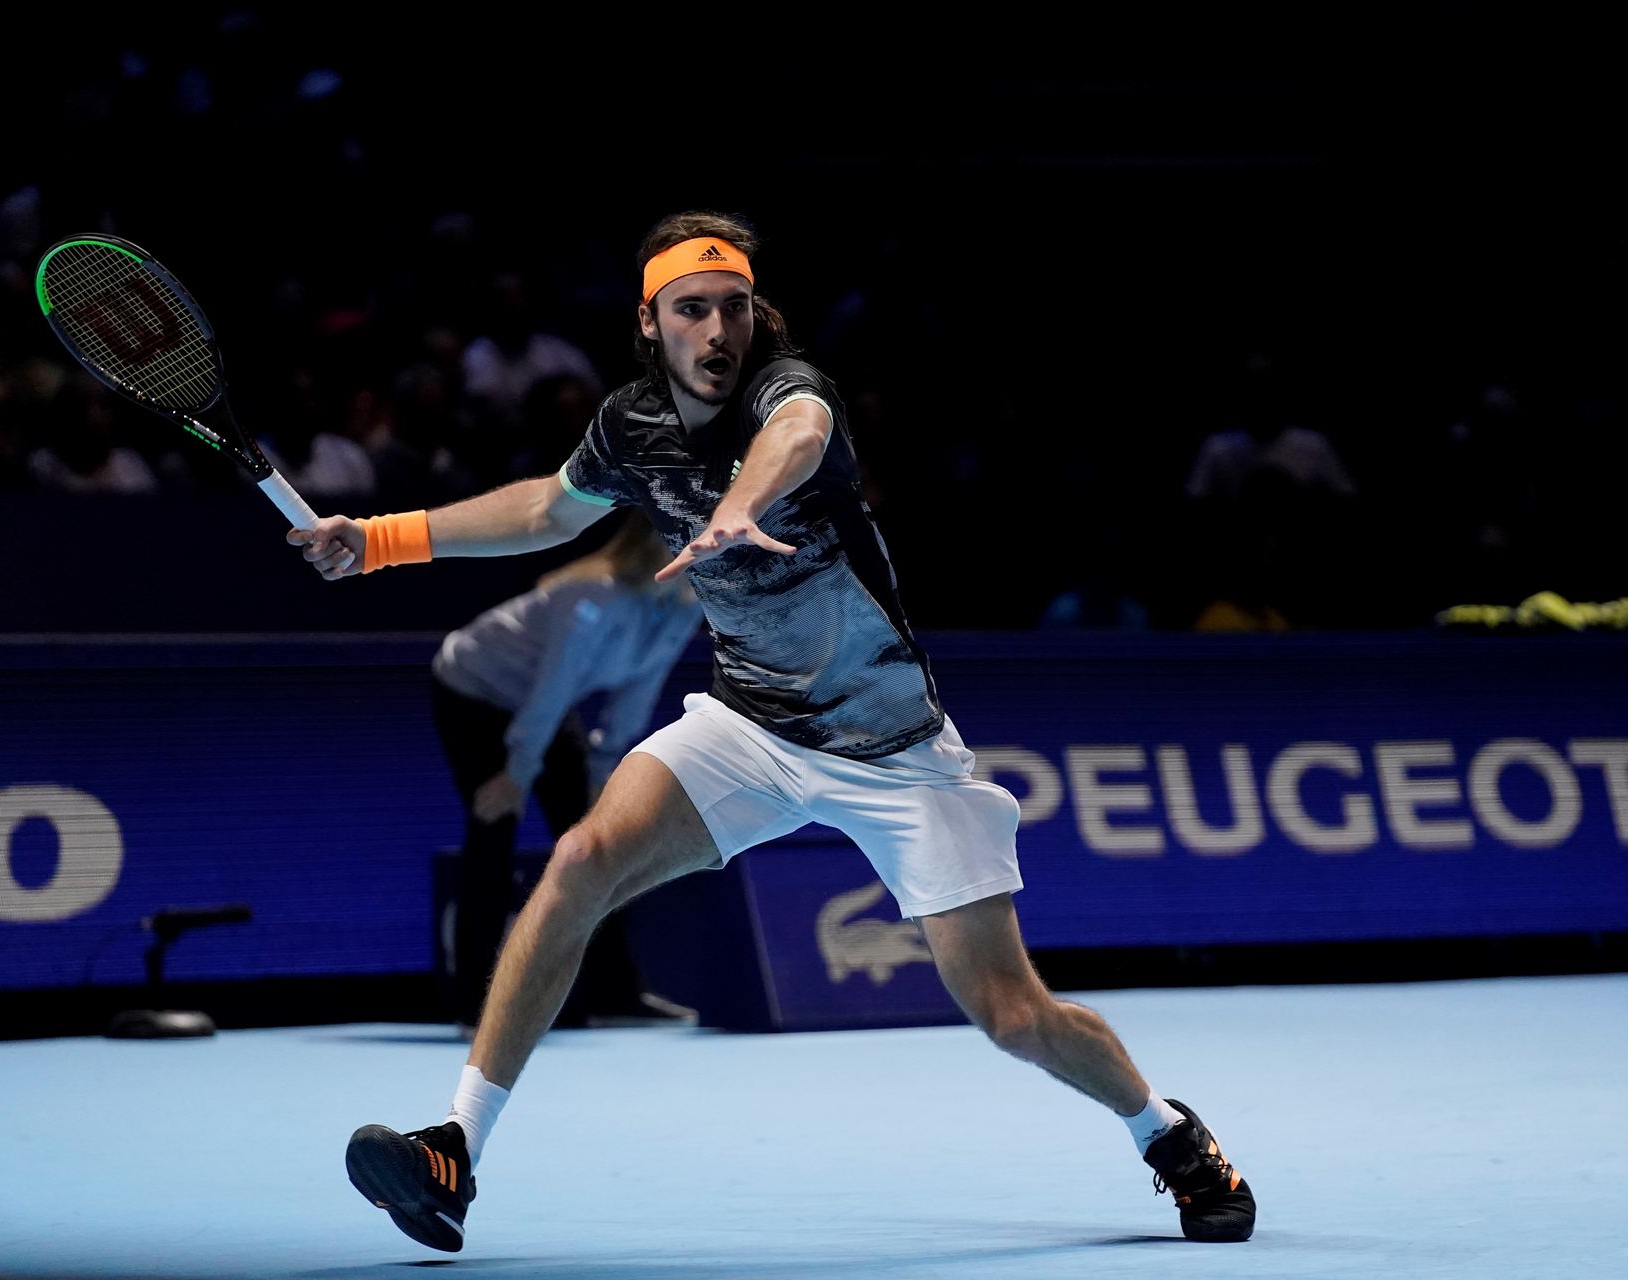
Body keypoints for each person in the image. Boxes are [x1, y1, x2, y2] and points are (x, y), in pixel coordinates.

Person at [290, 211, 1254, 1250]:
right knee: (579, 859)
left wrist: (738, 504)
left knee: (1013, 1015)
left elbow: (797, 437)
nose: (718, 329)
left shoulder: (788, 389)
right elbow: (544, 513)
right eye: (691, 309)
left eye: (735, 306)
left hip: (895, 751)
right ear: (649, 323)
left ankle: (1167, 1133)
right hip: (751, 727)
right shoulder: (629, 425)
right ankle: (455, 1151)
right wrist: (380, 540)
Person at [430, 509, 704, 1029]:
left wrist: (605, 773)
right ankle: (476, 1004)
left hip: (543, 708)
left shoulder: (685, 608)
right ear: (656, 543)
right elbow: (552, 691)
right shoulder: (593, 597)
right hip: (472, 690)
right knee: (494, 827)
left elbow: (636, 697)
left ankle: (615, 992)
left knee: (597, 840)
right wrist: (515, 774)